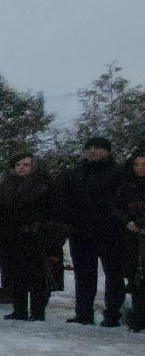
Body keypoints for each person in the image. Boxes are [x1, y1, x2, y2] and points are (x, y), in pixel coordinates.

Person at [55, 136, 127, 326]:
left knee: (114, 275)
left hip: (111, 233)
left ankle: (112, 315)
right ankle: (84, 313)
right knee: (84, 275)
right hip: (81, 232)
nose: (93, 151)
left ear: (107, 151)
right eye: (89, 148)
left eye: (98, 148)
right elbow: (63, 200)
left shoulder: (119, 172)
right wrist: (68, 224)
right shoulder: (74, 173)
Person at [0, 154, 60, 322]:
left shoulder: (46, 186)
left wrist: (44, 230)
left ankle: (37, 312)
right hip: (11, 238)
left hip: (37, 239)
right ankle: (19, 310)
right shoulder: (4, 187)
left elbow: (54, 212)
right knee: (15, 276)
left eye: (27, 164)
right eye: (18, 164)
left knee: (38, 277)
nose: (22, 167)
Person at [119, 149, 145, 332]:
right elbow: (116, 206)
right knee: (136, 277)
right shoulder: (127, 185)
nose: (140, 168)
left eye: (144, 165)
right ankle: (138, 317)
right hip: (132, 235)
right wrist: (127, 222)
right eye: (137, 164)